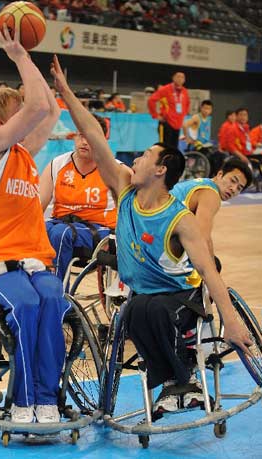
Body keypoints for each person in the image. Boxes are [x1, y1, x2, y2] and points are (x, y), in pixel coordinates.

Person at [50, 54, 252, 415]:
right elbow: (95, 136)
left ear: (160, 170)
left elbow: (208, 270)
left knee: (151, 309)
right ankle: (176, 384)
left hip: (181, 294)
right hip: (145, 293)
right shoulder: (125, 188)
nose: (137, 160)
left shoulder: (179, 219)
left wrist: (232, 322)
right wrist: (65, 92)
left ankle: (184, 382)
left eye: (145, 155)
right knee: (135, 309)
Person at [0, 26, 69, 424]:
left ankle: (47, 398)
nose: (24, 109)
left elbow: (50, 110)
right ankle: (22, 401)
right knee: (26, 306)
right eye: (16, 106)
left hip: (34, 262)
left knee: (53, 300)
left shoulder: (24, 155)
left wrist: (54, 84)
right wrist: (19, 56)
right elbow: (37, 110)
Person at [40, 115, 118, 283]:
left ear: (102, 141)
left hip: (101, 230)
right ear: (74, 136)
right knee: (41, 229)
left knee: (61, 234)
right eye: (81, 135)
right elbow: (36, 207)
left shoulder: (115, 169)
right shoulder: (57, 164)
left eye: (91, 137)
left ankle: (59, 295)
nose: (84, 141)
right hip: (62, 223)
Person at [171, 158, 252, 258]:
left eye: (239, 188)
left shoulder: (204, 182)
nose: (233, 189)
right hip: (153, 233)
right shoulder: (211, 194)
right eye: (233, 181)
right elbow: (202, 237)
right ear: (220, 174)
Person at [148, 71, 190, 148]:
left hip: (177, 124)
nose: (180, 79)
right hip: (166, 123)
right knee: (164, 148)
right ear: (173, 78)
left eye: (182, 77)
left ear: (184, 80)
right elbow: (151, 100)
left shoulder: (185, 91)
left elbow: (187, 104)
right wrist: (156, 115)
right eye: (178, 76)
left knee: (174, 149)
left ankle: (172, 160)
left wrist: (183, 115)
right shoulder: (165, 89)